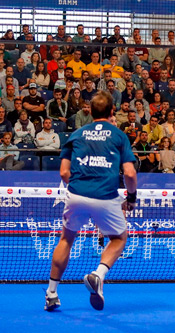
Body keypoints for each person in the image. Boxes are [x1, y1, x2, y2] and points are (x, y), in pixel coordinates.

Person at [45, 91, 137, 312]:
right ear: (112, 111)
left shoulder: (76, 134)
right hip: (105, 197)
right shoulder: (118, 136)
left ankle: (51, 294)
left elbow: (64, 172)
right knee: (119, 238)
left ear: (90, 111)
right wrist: (131, 197)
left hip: (76, 194)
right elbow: (130, 174)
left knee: (66, 240)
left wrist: (80, 188)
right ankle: (98, 274)